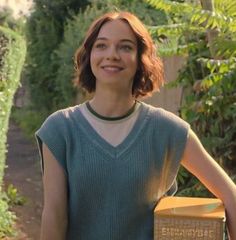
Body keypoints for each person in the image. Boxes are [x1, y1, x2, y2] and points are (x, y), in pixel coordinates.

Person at [35, 11, 236, 240]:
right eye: (101, 46)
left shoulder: (168, 130)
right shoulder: (60, 130)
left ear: (141, 58)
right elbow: (54, 216)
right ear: (89, 55)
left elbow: (230, 196)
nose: (112, 55)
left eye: (125, 47)